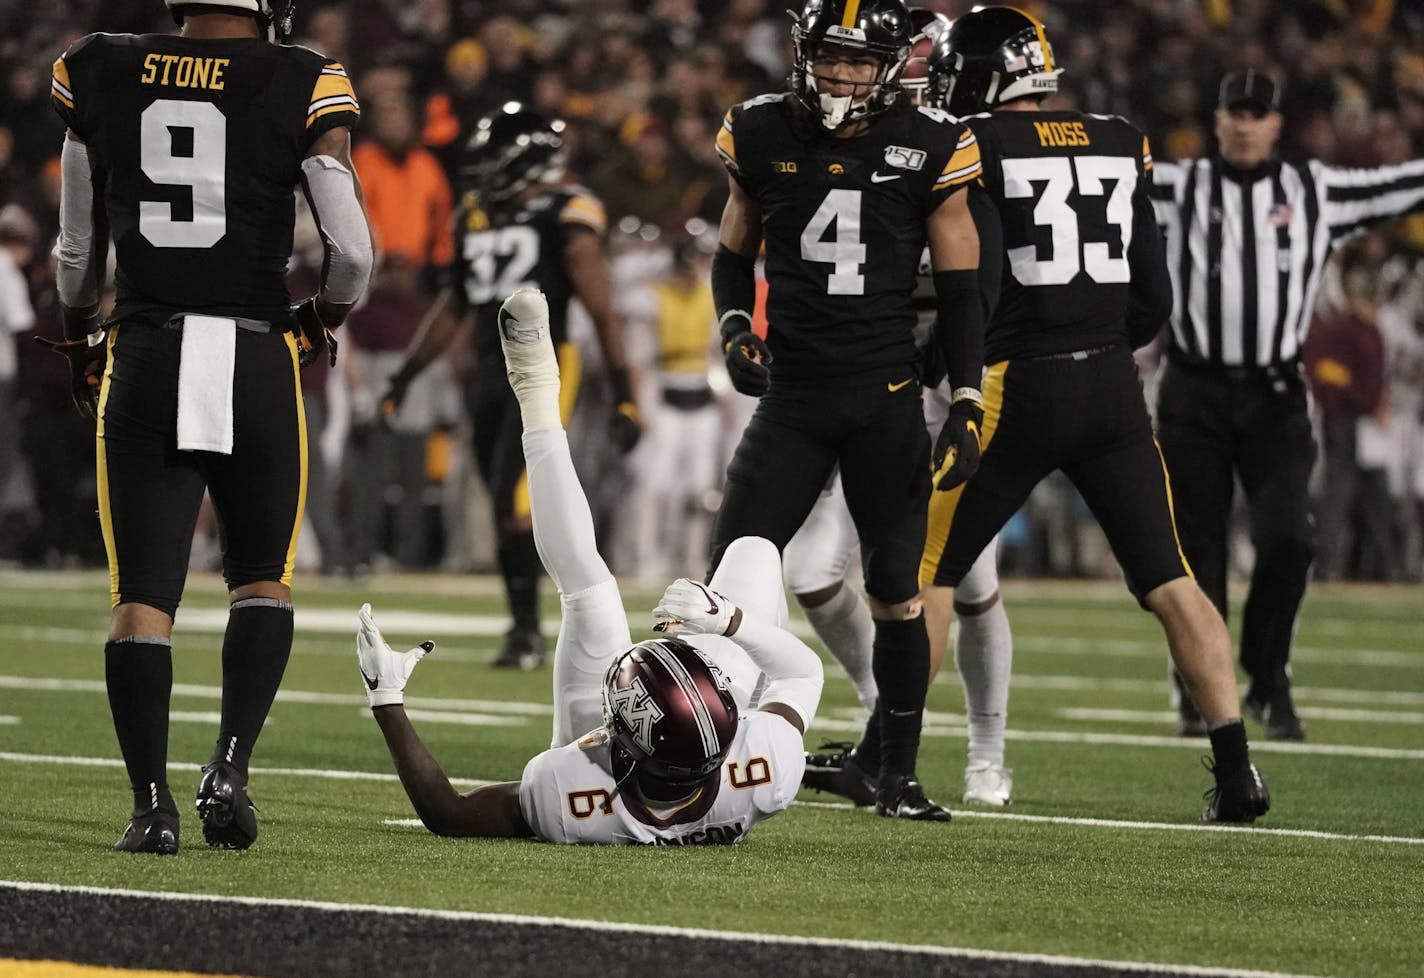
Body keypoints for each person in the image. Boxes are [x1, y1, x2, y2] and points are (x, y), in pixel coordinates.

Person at [918, 6, 1269, 822]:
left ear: (984, 71)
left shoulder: (974, 143)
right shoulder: (1116, 137)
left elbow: (981, 287)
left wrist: (943, 360)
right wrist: (1097, 344)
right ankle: (1238, 770)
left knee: (929, 570)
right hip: (1112, 386)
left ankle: (887, 756)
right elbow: (1153, 297)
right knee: (1172, 580)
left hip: (1016, 385)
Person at [44, 0, 372, 853]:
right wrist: (320, 319)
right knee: (262, 580)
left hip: (148, 350)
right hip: (258, 356)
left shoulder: (100, 65)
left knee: (141, 603)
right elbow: (354, 254)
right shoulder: (304, 75)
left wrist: (81, 339)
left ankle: (150, 808)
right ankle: (229, 763)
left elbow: (78, 254)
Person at [357, 287, 823, 844]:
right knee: (755, 551)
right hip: (702, 735)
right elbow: (802, 673)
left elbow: (450, 815)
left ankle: (535, 392)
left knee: (592, 592)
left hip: (637, 753)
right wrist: (729, 623)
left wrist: (386, 698)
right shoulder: (764, 769)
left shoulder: (572, 794)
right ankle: (719, 656)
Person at [707, 0, 987, 822]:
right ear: (803, 53)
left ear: (891, 65)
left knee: (897, 586)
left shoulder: (934, 141)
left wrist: (966, 398)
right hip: (794, 396)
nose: (840, 73)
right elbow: (734, 251)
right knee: (730, 573)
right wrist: (734, 329)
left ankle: (894, 774)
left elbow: (965, 292)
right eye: (830, 55)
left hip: (886, 397)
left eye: (859, 61)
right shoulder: (760, 132)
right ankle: (704, 748)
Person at [1150, 71, 1424, 740]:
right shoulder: (1177, 186)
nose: (1245, 124)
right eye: (1234, 112)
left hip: (1275, 393)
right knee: (1199, 553)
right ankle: (1198, 688)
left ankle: (1267, 674)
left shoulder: (1314, 190)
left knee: (1289, 541)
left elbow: (1398, 185)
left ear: (1276, 124)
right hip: (1194, 391)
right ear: (1217, 120)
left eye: (1257, 114)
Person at [797, 7, 1015, 809]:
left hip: (938, 384)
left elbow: (976, 291)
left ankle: (987, 753)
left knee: (967, 576)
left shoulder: (948, 154)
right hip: (864, 384)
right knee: (812, 574)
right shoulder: (842, 147)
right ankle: (883, 717)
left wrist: (956, 377)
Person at [382, 103, 642, 671]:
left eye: (495, 160)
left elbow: (601, 309)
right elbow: (456, 302)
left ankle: (550, 630)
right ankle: (525, 628)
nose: (483, 173)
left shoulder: (568, 210)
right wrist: (405, 374)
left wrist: (625, 390)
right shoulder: (475, 212)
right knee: (503, 502)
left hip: (546, 369)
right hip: (486, 372)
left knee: (518, 503)